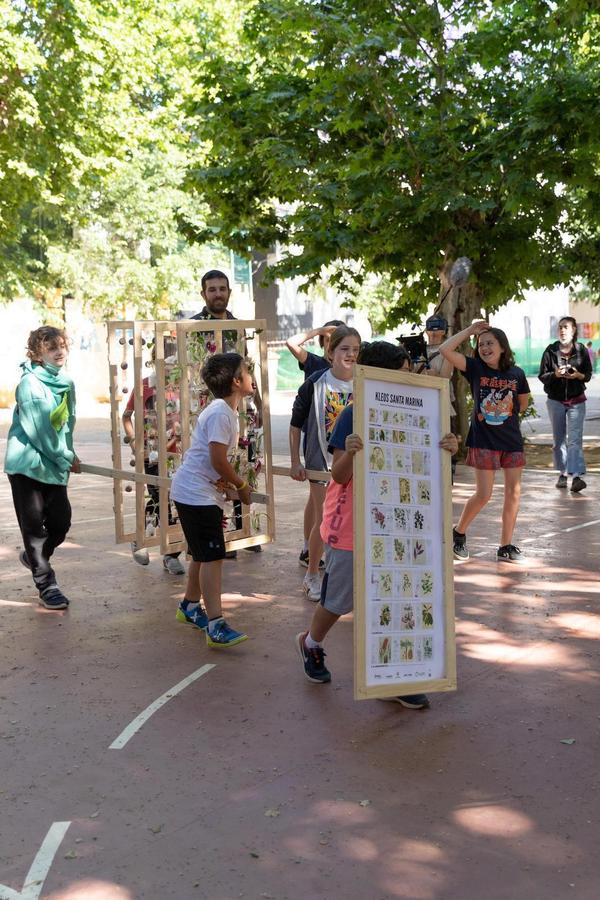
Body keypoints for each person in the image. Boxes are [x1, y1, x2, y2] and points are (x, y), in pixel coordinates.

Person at [295, 340, 458, 709]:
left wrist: (448, 446)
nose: (408, 381)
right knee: (339, 601)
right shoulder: (353, 414)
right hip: (350, 526)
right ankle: (311, 642)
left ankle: (392, 675)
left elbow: (428, 463)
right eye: (401, 374)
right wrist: (353, 451)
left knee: (396, 595)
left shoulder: (420, 410)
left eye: (409, 374)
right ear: (376, 377)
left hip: (398, 524)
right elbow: (338, 475)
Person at [170, 352, 255, 647]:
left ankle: (190, 606)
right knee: (212, 557)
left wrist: (224, 481)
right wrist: (241, 485)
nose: (251, 376)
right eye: (247, 370)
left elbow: (213, 460)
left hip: (196, 491)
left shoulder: (224, 410)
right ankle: (216, 625)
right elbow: (218, 460)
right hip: (195, 494)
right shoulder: (221, 413)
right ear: (236, 381)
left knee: (202, 554)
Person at [440, 321, 531, 562]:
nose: (485, 348)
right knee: (483, 494)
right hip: (483, 441)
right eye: (481, 344)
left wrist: (501, 413)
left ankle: (505, 546)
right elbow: (445, 350)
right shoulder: (475, 368)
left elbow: (522, 404)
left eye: (490, 343)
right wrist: (470, 331)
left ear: (503, 347)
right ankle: (459, 532)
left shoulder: (517, 374)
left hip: (511, 442)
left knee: (514, 492)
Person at [4, 326, 80, 609]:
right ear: (37, 353)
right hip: (27, 466)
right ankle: (47, 584)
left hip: (53, 463)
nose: (59, 352)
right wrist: (65, 456)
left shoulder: (66, 382)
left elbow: (66, 425)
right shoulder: (30, 385)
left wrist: (70, 453)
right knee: (34, 530)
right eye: (51, 348)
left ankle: (34, 557)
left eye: (61, 346)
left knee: (61, 523)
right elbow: (41, 433)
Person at [192, 269, 262, 557]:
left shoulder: (238, 326)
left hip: (239, 407)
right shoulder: (193, 326)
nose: (218, 294)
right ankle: (215, 533)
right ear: (203, 294)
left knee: (242, 461)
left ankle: (242, 529)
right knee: (213, 467)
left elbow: (247, 366)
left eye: (222, 289)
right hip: (204, 404)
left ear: (229, 292)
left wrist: (258, 402)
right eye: (212, 289)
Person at [289, 325, 361, 600]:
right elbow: (295, 425)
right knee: (324, 518)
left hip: (352, 461)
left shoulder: (366, 382)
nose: (351, 354)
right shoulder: (315, 382)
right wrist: (295, 461)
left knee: (352, 517)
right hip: (320, 461)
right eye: (345, 349)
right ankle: (312, 575)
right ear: (330, 352)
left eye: (356, 350)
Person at [286, 319, 344, 566]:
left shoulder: (352, 371)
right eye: (330, 341)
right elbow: (291, 343)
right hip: (317, 443)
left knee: (317, 499)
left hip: (340, 446)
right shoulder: (315, 365)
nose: (334, 346)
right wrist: (319, 330)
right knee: (321, 504)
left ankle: (309, 547)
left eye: (340, 341)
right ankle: (311, 551)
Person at [122, 352, 185, 574]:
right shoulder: (144, 386)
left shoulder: (183, 386)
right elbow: (126, 416)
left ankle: (168, 552)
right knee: (162, 500)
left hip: (178, 455)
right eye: (166, 363)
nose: (170, 367)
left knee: (177, 503)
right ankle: (151, 543)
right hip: (152, 456)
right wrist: (134, 442)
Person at [538, 317, 592, 493]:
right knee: (559, 441)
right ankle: (562, 474)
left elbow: (588, 375)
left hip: (577, 401)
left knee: (575, 441)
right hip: (555, 401)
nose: (562, 330)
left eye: (566, 327)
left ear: (573, 330)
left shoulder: (581, 350)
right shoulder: (550, 351)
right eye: (560, 327)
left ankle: (576, 477)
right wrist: (555, 375)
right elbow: (542, 376)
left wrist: (577, 375)